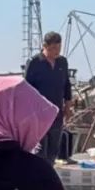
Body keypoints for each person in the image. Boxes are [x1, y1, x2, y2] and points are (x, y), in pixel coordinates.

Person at [24, 31, 74, 161]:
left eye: (59, 48)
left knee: (53, 149)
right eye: (53, 48)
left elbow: (66, 85)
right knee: (40, 150)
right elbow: (26, 89)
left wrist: (68, 107)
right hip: (38, 114)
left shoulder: (62, 62)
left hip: (56, 112)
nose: (56, 51)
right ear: (45, 46)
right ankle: (38, 172)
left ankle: (49, 170)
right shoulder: (34, 62)